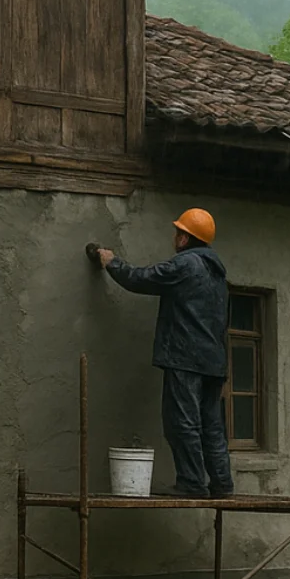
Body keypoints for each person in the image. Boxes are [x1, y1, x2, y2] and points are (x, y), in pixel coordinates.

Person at [87, 209, 233, 500]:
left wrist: (111, 262)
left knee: (182, 422)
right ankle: (222, 484)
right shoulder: (218, 275)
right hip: (213, 361)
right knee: (212, 425)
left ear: (185, 237)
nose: (174, 236)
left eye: (178, 231)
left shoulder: (186, 265)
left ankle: (192, 482)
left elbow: (142, 279)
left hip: (185, 357)